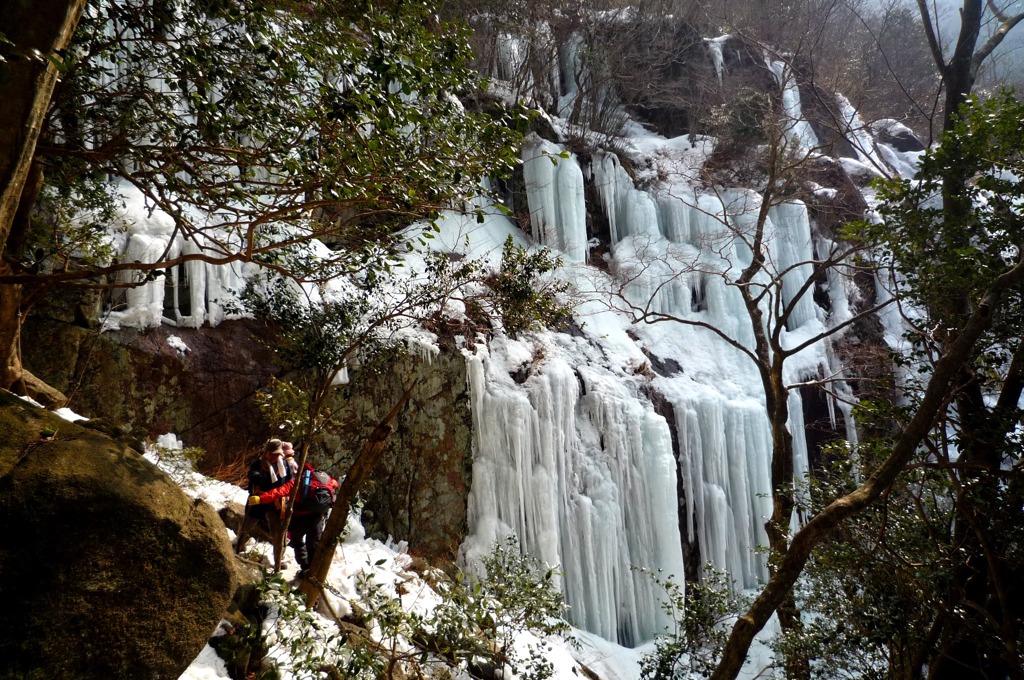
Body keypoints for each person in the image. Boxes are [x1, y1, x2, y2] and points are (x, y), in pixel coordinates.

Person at [247, 449, 335, 575]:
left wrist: (260, 498)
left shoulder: (298, 482)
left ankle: (305, 567)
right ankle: (313, 572)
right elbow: (334, 486)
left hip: (300, 518)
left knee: (298, 541)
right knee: (313, 545)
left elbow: (278, 492)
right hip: (317, 518)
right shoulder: (326, 480)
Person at [235, 439, 293, 569]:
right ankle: (238, 549)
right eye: (272, 453)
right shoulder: (258, 464)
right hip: (258, 501)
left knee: (279, 534)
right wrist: (266, 481)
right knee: (247, 526)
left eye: (277, 454)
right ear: (266, 452)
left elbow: (289, 482)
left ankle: (278, 560)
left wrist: (277, 492)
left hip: (276, 503)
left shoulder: (284, 465)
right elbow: (253, 476)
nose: (274, 456)